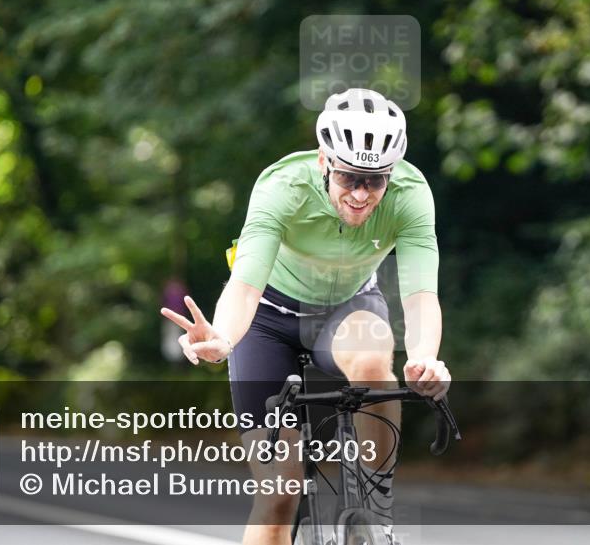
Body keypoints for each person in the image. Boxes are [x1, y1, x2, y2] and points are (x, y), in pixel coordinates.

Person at [160, 88, 451, 545]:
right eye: (350, 178)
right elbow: (246, 285)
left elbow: (419, 296)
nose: (360, 194)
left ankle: (377, 510)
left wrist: (425, 359)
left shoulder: (411, 194)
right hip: (267, 319)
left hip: (347, 310)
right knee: (278, 493)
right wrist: (223, 339)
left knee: (375, 360)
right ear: (324, 162)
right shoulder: (282, 186)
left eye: (374, 181)